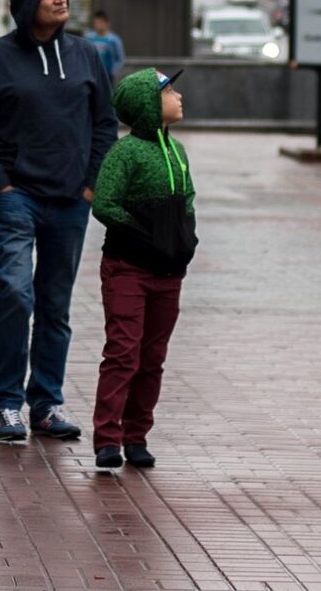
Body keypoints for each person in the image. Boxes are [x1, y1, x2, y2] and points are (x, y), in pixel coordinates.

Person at [0, 0, 117, 444]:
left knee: (55, 305)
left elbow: (105, 125)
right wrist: (0, 185)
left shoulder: (86, 54)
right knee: (15, 294)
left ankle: (46, 403)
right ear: (27, 2)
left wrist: (90, 186)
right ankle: (8, 403)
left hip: (71, 202)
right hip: (17, 199)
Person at [90, 68, 197, 471]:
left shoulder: (178, 151)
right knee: (123, 352)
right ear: (149, 105)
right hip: (127, 268)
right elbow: (104, 204)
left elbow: (187, 198)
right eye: (169, 91)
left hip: (169, 272)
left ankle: (137, 435)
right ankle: (108, 437)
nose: (179, 96)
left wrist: (186, 239)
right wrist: (141, 232)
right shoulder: (125, 153)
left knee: (152, 357)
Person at [88, 10, 126, 85]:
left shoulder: (114, 40)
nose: (98, 25)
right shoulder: (89, 38)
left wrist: (113, 71)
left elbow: (121, 58)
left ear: (107, 23)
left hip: (107, 75)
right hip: (92, 74)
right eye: (96, 23)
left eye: (100, 22)